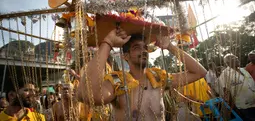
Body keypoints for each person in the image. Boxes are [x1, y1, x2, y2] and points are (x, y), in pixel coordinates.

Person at [77, 29, 207, 120]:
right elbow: (88, 95)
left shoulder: (158, 78)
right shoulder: (118, 82)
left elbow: (199, 72)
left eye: (145, 47)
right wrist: (108, 42)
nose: (144, 51)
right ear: (125, 56)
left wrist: (170, 47)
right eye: (136, 48)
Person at [216, 54, 255, 121]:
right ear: (228, 62)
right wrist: (233, 108)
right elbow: (226, 92)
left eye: (237, 57)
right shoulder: (225, 74)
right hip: (243, 107)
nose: (237, 59)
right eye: (234, 58)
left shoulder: (243, 70)